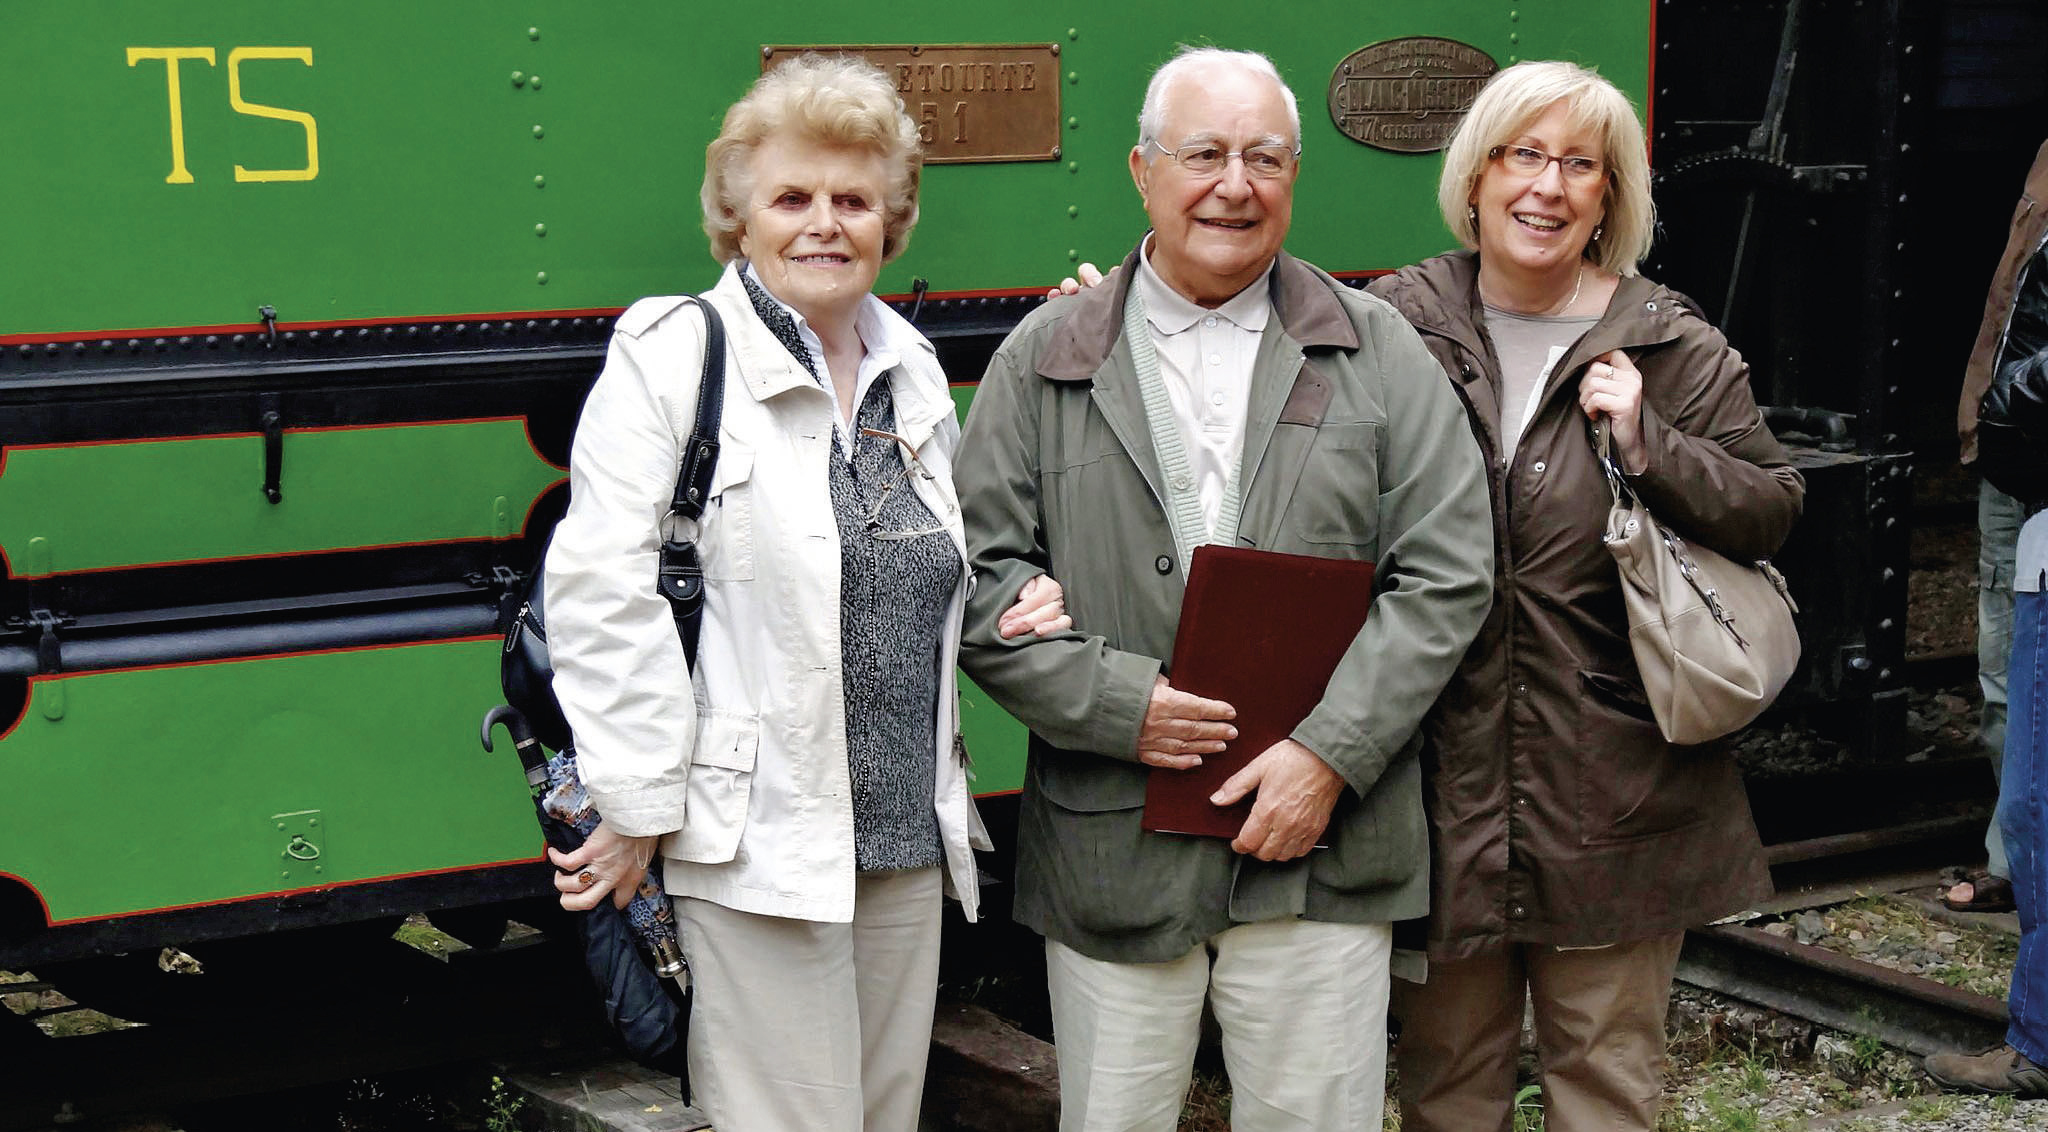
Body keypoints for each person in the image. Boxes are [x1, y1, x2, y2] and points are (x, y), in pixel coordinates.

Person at [956, 46, 1495, 1132]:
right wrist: (1120, 706)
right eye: (1202, 154)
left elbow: (1446, 570)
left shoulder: (1377, 348)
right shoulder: (1043, 358)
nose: (1233, 185)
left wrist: (1328, 754)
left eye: (1263, 157)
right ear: (1142, 171)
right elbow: (976, 580)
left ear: (1294, 177)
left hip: (1321, 844)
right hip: (1116, 843)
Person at [538, 55, 1068, 1132]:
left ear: (891, 219)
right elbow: (600, 589)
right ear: (739, 217)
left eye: (852, 200)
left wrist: (1006, 605)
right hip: (755, 842)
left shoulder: (908, 367)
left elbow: (916, 560)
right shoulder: (676, 351)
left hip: (902, 837)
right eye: (791, 198)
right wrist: (635, 809)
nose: (823, 223)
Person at [1366, 61, 1805, 1132]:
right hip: (1441, 787)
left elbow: (1770, 508)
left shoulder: (1666, 341)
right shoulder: (1392, 322)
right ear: (1474, 178)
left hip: (1618, 794)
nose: (1546, 187)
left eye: (1580, 165)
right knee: (1442, 1087)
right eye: (1523, 156)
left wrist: (1649, 443)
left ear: (1608, 198)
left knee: (1604, 1088)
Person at [1924, 148, 2048, 1098]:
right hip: (2023, 477)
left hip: (2035, 470)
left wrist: (2009, 406)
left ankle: (2040, 1039)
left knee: (2040, 785)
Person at [1945, 139, 2048, 916]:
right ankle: (2015, 858)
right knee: (2003, 668)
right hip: (2015, 460)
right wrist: (1988, 415)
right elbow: (2006, 306)